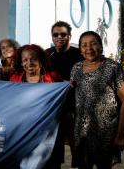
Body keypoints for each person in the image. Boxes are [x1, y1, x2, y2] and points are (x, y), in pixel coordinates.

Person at [71, 31, 124, 169]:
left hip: (106, 134)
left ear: (101, 46)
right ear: (80, 50)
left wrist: (121, 135)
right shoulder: (76, 69)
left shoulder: (113, 67)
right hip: (81, 134)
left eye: (93, 44)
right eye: (84, 45)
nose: (89, 48)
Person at [45, 21, 83, 168]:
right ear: (52, 37)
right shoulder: (47, 54)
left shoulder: (79, 55)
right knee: (54, 150)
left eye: (63, 34)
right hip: (54, 109)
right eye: (56, 34)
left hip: (74, 108)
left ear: (69, 36)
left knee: (78, 150)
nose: (59, 37)